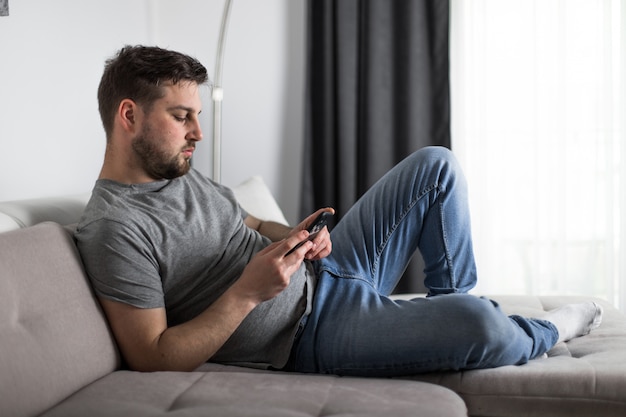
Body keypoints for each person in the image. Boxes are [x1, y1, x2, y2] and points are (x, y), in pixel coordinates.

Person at [76, 45, 603, 376]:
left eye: (196, 114)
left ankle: (444, 315)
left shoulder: (178, 173)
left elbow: (252, 224)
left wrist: (297, 236)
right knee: (483, 327)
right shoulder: (115, 227)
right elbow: (152, 355)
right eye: (181, 116)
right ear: (129, 116)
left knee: (435, 166)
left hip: (325, 269)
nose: (199, 131)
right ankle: (545, 330)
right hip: (309, 331)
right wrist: (245, 293)